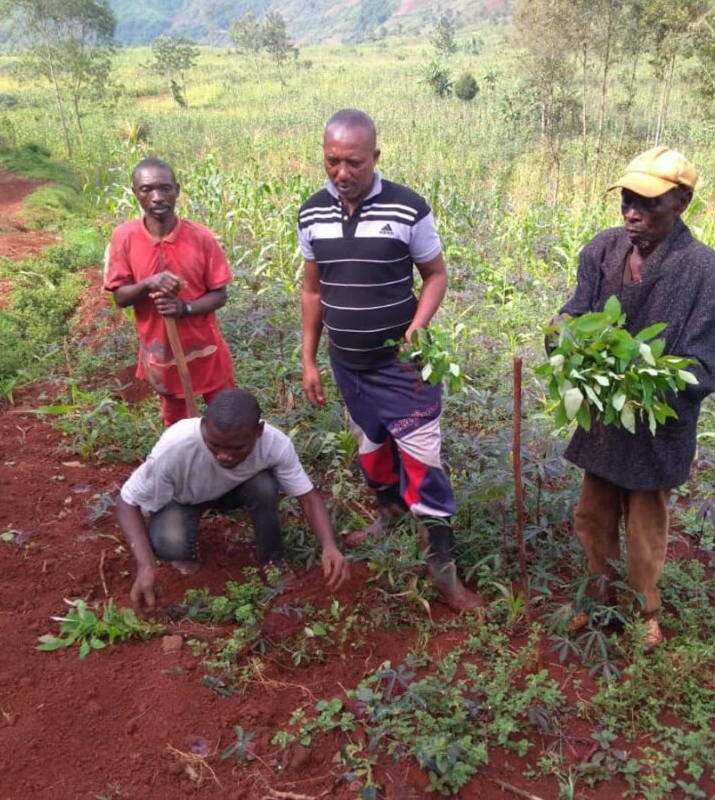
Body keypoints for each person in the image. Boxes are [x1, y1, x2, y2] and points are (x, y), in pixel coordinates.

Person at [552, 146, 715, 648]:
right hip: (604, 415)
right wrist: (564, 332)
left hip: (657, 420)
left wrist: (638, 372)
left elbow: (702, 369)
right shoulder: (602, 252)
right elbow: (578, 310)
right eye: (627, 202)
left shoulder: (709, 274)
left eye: (647, 204)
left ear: (680, 203)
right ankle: (596, 597)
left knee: (644, 527)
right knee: (593, 514)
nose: (632, 214)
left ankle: (642, 612)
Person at [297, 108, 481, 612]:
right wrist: (310, 359)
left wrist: (417, 328)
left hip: (401, 369)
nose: (341, 173)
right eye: (332, 161)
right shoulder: (312, 213)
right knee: (372, 450)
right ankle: (388, 516)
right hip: (347, 366)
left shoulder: (407, 209)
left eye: (353, 162)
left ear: (375, 157)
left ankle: (443, 571)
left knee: (423, 465)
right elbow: (313, 290)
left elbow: (435, 274)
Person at [117, 388, 350, 611]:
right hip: (182, 499)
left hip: (232, 492)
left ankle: (273, 561)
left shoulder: (274, 444)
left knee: (263, 485)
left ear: (258, 432)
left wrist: (329, 545)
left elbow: (308, 498)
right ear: (203, 426)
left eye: (237, 448)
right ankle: (181, 547)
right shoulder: (175, 447)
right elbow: (127, 501)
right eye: (214, 445)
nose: (224, 455)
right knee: (170, 544)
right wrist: (146, 565)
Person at [104, 157, 236, 427]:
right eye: (146, 189)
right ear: (135, 193)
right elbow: (120, 297)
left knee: (227, 419)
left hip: (206, 351)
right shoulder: (124, 238)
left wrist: (184, 309)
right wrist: (148, 283)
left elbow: (219, 295)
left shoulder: (201, 238)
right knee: (177, 428)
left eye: (164, 188)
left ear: (177, 190)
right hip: (161, 355)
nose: (156, 197)